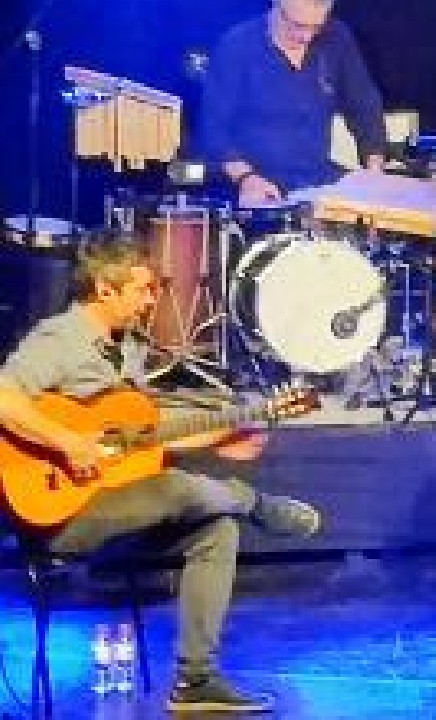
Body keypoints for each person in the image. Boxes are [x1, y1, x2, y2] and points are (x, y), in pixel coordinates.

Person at [0, 232, 321, 713]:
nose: (152, 300)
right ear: (104, 290)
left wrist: (223, 435)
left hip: (121, 505)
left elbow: (144, 437)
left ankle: (196, 680)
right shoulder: (59, 339)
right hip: (59, 512)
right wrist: (66, 441)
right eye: (142, 289)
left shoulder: (128, 347)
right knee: (176, 488)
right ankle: (254, 502)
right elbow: (4, 398)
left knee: (217, 530)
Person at [201, 0, 387, 204]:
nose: (306, 37)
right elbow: (213, 130)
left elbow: (364, 105)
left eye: (316, 27)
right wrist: (246, 178)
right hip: (255, 183)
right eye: (298, 25)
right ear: (275, 4)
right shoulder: (237, 46)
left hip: (317, 180)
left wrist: (374, 169)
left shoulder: (337, 39)